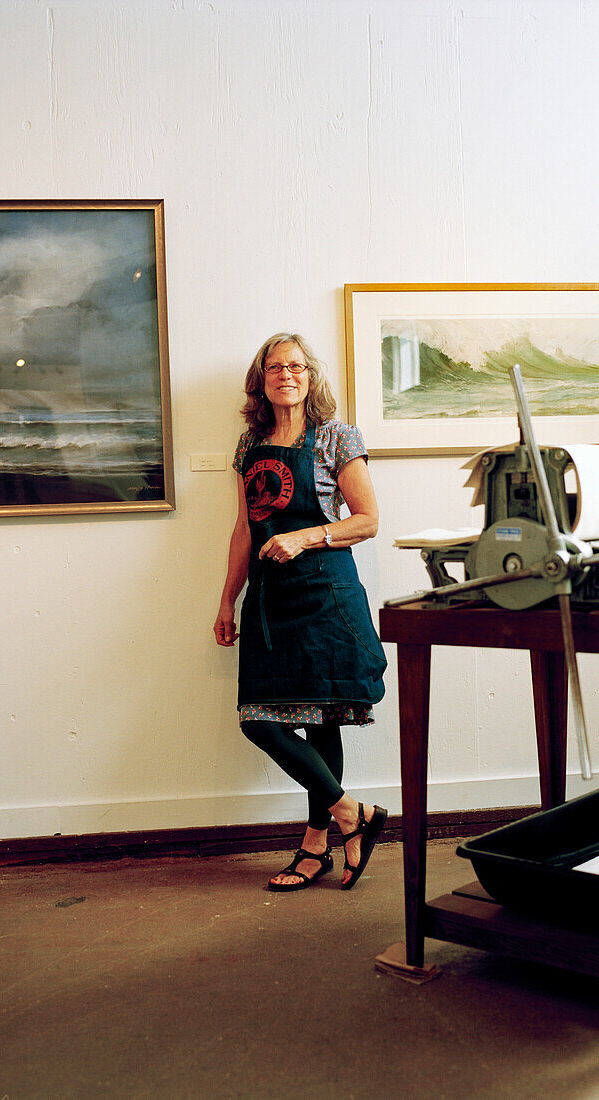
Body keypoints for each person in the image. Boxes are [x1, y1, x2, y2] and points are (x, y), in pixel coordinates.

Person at [214, 333, 388, 892]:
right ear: (260, 379)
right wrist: (227, 599)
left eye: (295, 366)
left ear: (310, 376)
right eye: (274, 367)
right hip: (270, 600)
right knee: (259, 719)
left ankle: (316, 846)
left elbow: (367, 521)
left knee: (322, 721)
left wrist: (306, 537)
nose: (285, 375)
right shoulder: (249, 446)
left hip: (325, 596)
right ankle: (350, 815)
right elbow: (244, 530)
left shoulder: (337, 437)